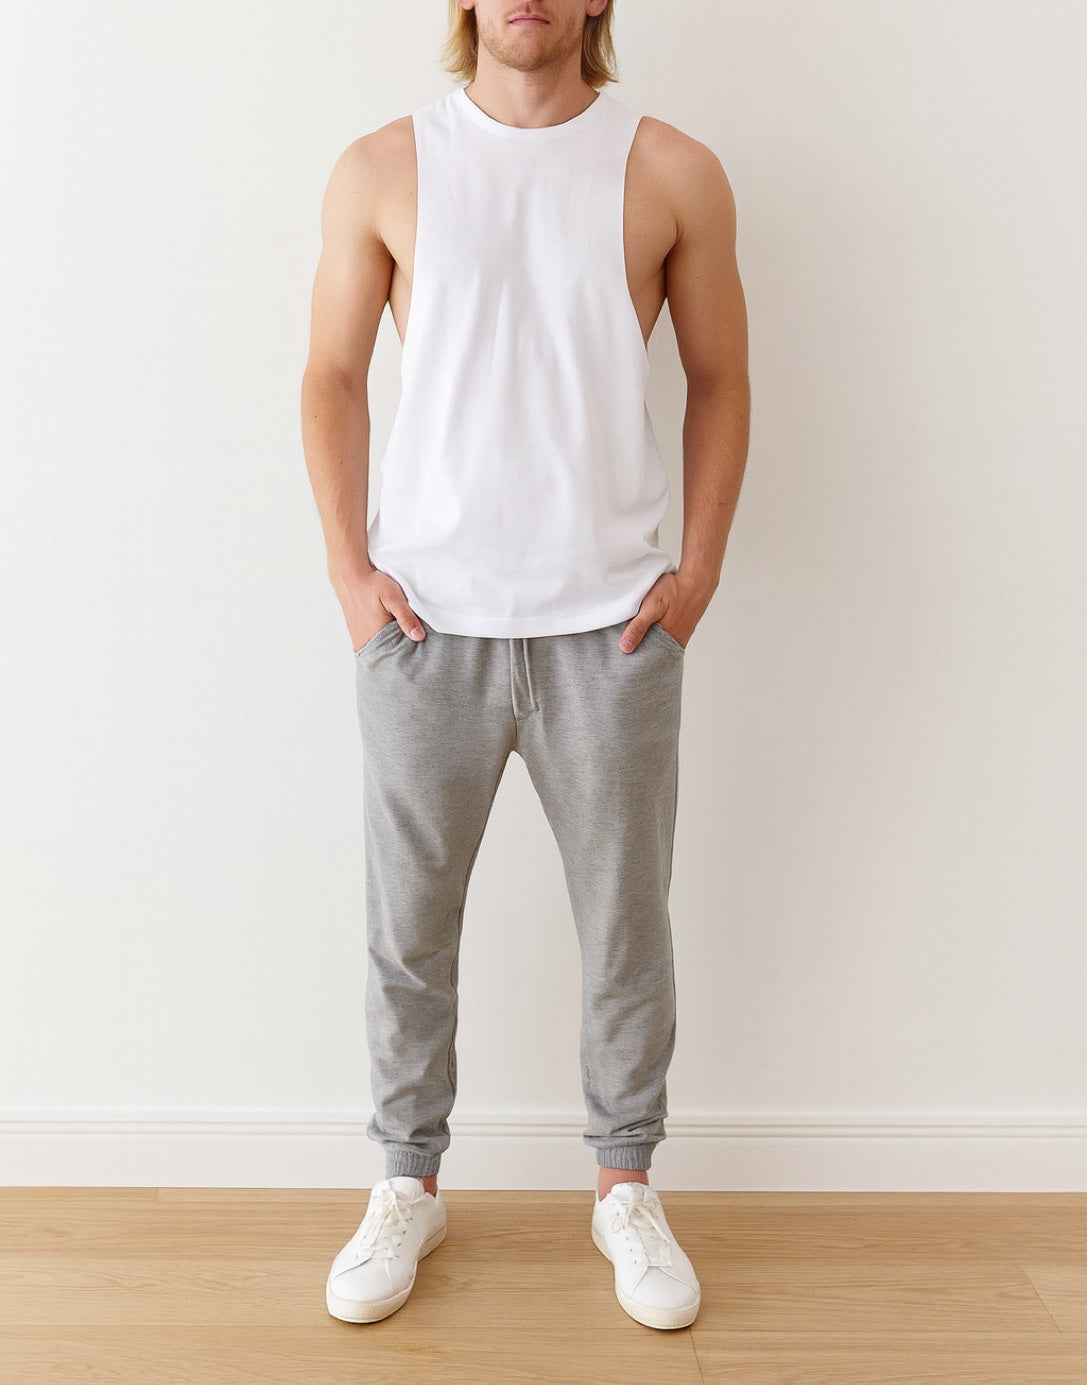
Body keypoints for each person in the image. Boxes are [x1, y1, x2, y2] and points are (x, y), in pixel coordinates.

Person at [301, 0, 749, 1332]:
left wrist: (699, 574)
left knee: (625, 927)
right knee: (407, 929)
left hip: (610, 625)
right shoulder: (383, 165)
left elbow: (722, 376)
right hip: (423, 622)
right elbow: (329, 374)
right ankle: (405, 1179)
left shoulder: (670, 169)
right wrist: (349, 576)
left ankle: (624, 1184)